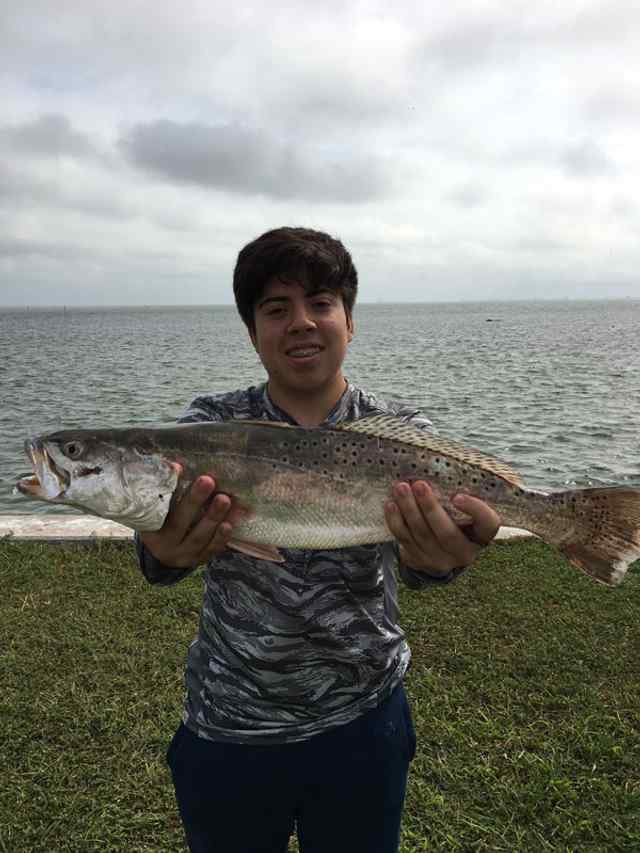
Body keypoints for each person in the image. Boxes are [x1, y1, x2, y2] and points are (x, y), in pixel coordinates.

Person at [136, 227, 500, 853]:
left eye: (321, 303)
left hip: (366, 719)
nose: (301, 322)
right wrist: (162, 554)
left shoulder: (403, 436)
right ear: (253, 333)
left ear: (350, 321)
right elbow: (160, 550)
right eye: (276, 309)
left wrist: (442, 561)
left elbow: (423, 567)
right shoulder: (206, 428)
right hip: (230, 722)